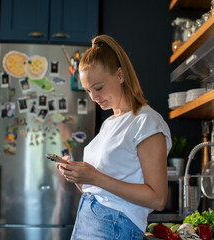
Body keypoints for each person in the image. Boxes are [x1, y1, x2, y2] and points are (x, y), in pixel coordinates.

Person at [56, 34, 171, 240]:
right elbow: (100, 190)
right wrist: (77, 176)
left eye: (98, 88)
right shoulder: (109, 124)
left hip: (114, 225)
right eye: (88, 91)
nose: (93, 97)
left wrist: (94, 177)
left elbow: (158, 198)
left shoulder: (146, 122)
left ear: (120, 75)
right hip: (89, 219)